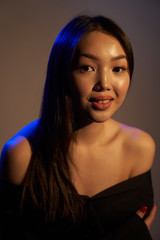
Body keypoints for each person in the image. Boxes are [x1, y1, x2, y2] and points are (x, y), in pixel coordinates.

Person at [0, 15, 157, 240]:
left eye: (118, 69)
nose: (104, 83)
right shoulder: (22, 155)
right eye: (87, 67)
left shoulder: (139, 149)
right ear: (62, 73)